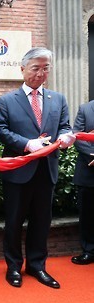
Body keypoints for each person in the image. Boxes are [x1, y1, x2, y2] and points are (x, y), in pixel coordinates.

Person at [0, 47, 75, 289]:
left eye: (46, 67)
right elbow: (1, 131)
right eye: (36, 67)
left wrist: (65, 138)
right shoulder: (7, 100)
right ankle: (13, 267)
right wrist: (27, 144)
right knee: (14, 221)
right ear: (23, 69)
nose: (41, 73)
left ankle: (37, 265)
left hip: (46, 170)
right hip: (18, 172)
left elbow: (64, 126)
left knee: (42, 221)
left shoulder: (58, 99)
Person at [71, 101, 94, 265]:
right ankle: (89, 250)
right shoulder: (85, 109)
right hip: (88, 171)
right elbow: (76, 136)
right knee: (87, 214)